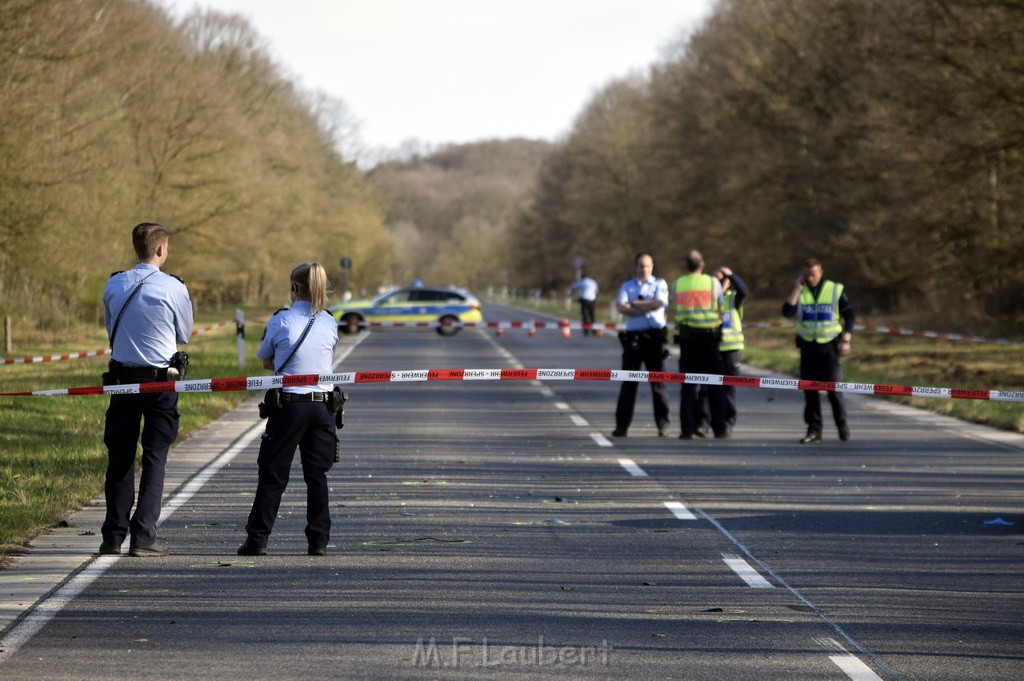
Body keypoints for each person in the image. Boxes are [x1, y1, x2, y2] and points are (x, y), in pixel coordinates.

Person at [100, 223, 193, 557]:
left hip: (122, 380)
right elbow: (184, 332)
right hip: (161, 382)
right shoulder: (173, 288)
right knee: (155, 457)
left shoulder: (114, 283)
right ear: (161, 250)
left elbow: (111, 328)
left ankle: (112, 536)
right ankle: (143, 538)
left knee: (120, 458)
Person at [239, 262, 340, 556]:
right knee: (317, 476)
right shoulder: (329, 322)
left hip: (289, 407)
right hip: (323, 408)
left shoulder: (281, 320)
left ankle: (257, 540)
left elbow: (267, 361)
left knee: (272, 474)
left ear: (294, 288)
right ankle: (318, 542)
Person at [781, 258, 854, 443]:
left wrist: (846, 339)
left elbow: (849, 315)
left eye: (813, 274)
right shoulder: (801, 291)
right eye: (806, 275)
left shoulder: (834, 289)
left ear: (821, 272)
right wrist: (797, 288)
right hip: (808, 347)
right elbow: (787, 312)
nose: (810, 278)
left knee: (833, 390)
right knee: (809, 391)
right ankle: (814, 431)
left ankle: (842, 425)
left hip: (829, 347)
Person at [612, 253, 671, 437]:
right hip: (634, 339)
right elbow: (621, 308)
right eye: (641, 266)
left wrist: (634, 304)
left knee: (658, 384)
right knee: (628, 383)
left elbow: (658, 304)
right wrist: (646, 304)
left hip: (654, 339)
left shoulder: (659, 284)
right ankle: (622, 427)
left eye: (647, 266)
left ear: (652, 266)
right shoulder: (627, 285)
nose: (644, 269)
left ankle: (663, 425)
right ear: (635, 267)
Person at [673, 250, 729, 439]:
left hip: (688, 338)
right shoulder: (713, 282)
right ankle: (720, 428)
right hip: (709, 338)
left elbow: (676, 307)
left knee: (688, 385)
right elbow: (721, 306)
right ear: (702, 264)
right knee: (715, 384)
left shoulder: (679, 283)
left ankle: (686, 429)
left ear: (686, 265)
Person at [694, 266, 748, 436]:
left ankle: (727, 423)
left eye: (722, 279)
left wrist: (730, 274)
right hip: (711, 348)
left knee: (729, 388)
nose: (718, 282)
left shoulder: (733, 298)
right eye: (715, 280)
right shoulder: (706, 299)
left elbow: (744, 290)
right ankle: (703, 423)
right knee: (705, 386)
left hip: (731, 348)